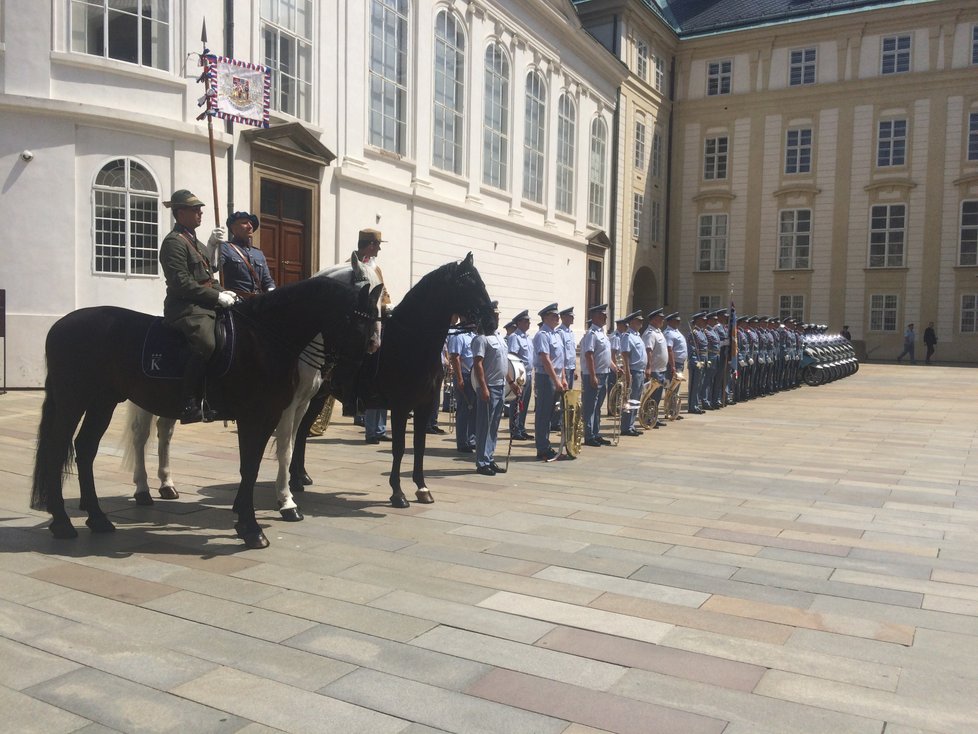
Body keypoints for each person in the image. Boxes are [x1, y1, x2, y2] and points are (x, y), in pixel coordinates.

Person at [159, 189, 238, 424]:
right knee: (206, 341)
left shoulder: (198, 244)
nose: (200, 213)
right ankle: (188, 402)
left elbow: (208, 279)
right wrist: (215, 297)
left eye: (200, 209)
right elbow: (180, 283)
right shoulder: (173, 243)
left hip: (204, 304)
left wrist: (224, 291)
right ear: (180, 212)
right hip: (185, 308)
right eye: (195, 209)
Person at [472, 307, 518, 476]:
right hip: (489, 386)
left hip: (500, 385)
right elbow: (478, 364)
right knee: (485, 425)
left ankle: (489, 457)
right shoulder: (481, 340)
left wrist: (511, 382)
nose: (496, 320)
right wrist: (483, 387)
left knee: (494, 425)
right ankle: (482, 462)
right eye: (492, 317)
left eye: (497, 317)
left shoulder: (499, 338)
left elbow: (503, 363)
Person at [356, 228, 392, 443]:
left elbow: (383, 292)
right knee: (369, 378)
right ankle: (370, 428)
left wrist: (388, 308)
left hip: (378, 324)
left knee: (379, 378)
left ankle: (379, 428)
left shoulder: (376, 267)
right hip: (362, 326)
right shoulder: (353, 264)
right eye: (377, 245)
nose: (379, 248)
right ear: (370, 244)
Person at [533, 304, 566, 461]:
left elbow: (561, 359)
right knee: (543, 414)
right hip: (546, 378)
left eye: (557, 316)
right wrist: (556, 380)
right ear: (545, 318)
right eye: (554, 316)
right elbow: (546, 360)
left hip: (556, 376)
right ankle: (542, 448)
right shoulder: (543, 335)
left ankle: (546, 445)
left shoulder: (556, 334)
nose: (557, 318)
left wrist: (563, 378)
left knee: (551, 413)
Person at [219, 211, 275, 298]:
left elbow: (267, 280)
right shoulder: (225, 248)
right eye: (244, 223)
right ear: (234, 228)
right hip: (237, 302)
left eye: (251, 223)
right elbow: (213, 268)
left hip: (257, 302)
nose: (250, 226)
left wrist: (271, 290)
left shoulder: (258, 253)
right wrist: (212, 245)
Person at [581, 304, 612, 447]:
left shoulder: (602, 333)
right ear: (594, 317)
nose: (605, 317)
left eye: (605, 315)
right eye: (602, 315)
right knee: (590, 406)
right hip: (593, 375)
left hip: (604, 373)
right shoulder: (591, 334)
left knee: (598, 406)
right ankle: (589, 435)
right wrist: (593, 375)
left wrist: (614, 367)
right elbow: (589, 355)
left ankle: (596, 432)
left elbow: (605, 355)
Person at [448, 325, 477, 453]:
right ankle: (462, 442)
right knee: (464, 409)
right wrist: (459, 378)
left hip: (474, 376)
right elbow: (455, 357)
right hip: (464, 375)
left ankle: (472, 440)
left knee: (474, 410)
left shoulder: (475, 336)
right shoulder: (458, 336)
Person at [507, 310, 534, 440]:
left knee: (525, 402)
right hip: (520, 374)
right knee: (517, 403)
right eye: (526, 321)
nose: (529, 323)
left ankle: (521, 428)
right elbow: (512, 357)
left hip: (528, 373)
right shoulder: (514, 337)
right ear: (519, 323)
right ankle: (515, 429)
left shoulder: (527, 338)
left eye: (529, 321)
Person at [619, 311, 647, 436]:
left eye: (641, 320)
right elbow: (625, 355)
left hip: (640, 371)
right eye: (638, 320)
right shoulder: (627, 336)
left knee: (636, 400)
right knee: (630, 399)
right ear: (631, 322)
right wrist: (627, 373)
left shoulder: (637, 335)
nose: (641, 322)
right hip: (633, 371)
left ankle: (631, 424)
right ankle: (626, 427)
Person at [643, 308, 669, 428]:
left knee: (657, 397)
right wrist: (648, 367)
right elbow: (649, 350)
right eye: (660, 319)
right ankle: (648, 418)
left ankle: (654, 417)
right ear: (653, 320)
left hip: (661, 370)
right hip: (654, 370)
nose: (662, 320)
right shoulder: (650, 333)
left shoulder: (658, 331)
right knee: (651, 396)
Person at [663, 312, 687, 418]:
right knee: (671, 388)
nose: (678, 322)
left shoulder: (676, 332)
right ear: (670, 321)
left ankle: (673, 410)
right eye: (676, 321)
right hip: (674, 364)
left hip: (680, 363)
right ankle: (669, 411)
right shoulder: (669, 333)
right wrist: (672, 366)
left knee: (676, 388)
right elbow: (669, 349)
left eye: (679, 320)